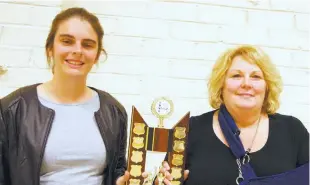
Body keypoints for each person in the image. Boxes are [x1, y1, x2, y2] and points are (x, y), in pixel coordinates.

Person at [0, 7, 131, 185]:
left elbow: (118, 172)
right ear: (50, 49)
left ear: (97, 55)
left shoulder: (113, 111)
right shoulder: (13, 108)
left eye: (87, 44)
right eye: (67, 41)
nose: (78, 50)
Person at [154, 45, 309, 185]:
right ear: (221, 85)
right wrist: (161, 181)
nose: (246, 83)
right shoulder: (190, 129)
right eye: (236, 76)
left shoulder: (292, 131)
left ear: (267, 87)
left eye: (256, 76)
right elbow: (164, 179)